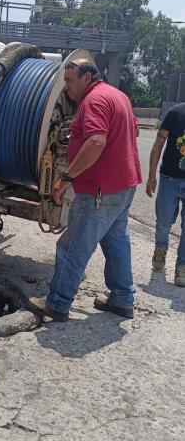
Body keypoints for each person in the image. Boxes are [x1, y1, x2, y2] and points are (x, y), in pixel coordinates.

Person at [43, 58, 141, 321]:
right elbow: (135, 130)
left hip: (100, 191)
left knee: (72, 246)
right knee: (117, 242)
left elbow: (97, 141)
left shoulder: (93, 101)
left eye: (70, 80)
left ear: (87, 78)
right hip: (123, 186)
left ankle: (58, 303)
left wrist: (67, 176)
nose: (66, 87)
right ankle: (122, 299)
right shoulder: (118, 96)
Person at [146, 102, 185, 286]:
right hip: (169, 179)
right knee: (163, 221)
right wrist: (151, 175)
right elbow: (158, 143)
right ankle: (160, 249)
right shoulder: (175, 112)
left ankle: (182, 266)